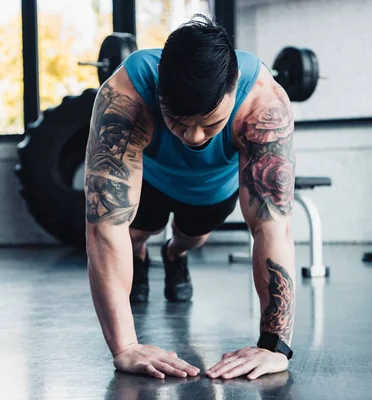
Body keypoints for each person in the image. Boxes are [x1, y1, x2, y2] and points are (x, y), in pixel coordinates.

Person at [84, 14, 296, 381]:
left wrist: (274, 345)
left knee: (190, 239)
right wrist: (126, 347)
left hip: (210, 189)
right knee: (132, 233)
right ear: (159, 95)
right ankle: (142, 253)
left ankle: (173, 254)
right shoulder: (126, 94)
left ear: (232, 91)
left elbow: (272, 226)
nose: (195, 137)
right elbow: (104, 226)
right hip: (149, 179)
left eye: (209, 124)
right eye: (179, 122)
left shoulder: (263, 103)